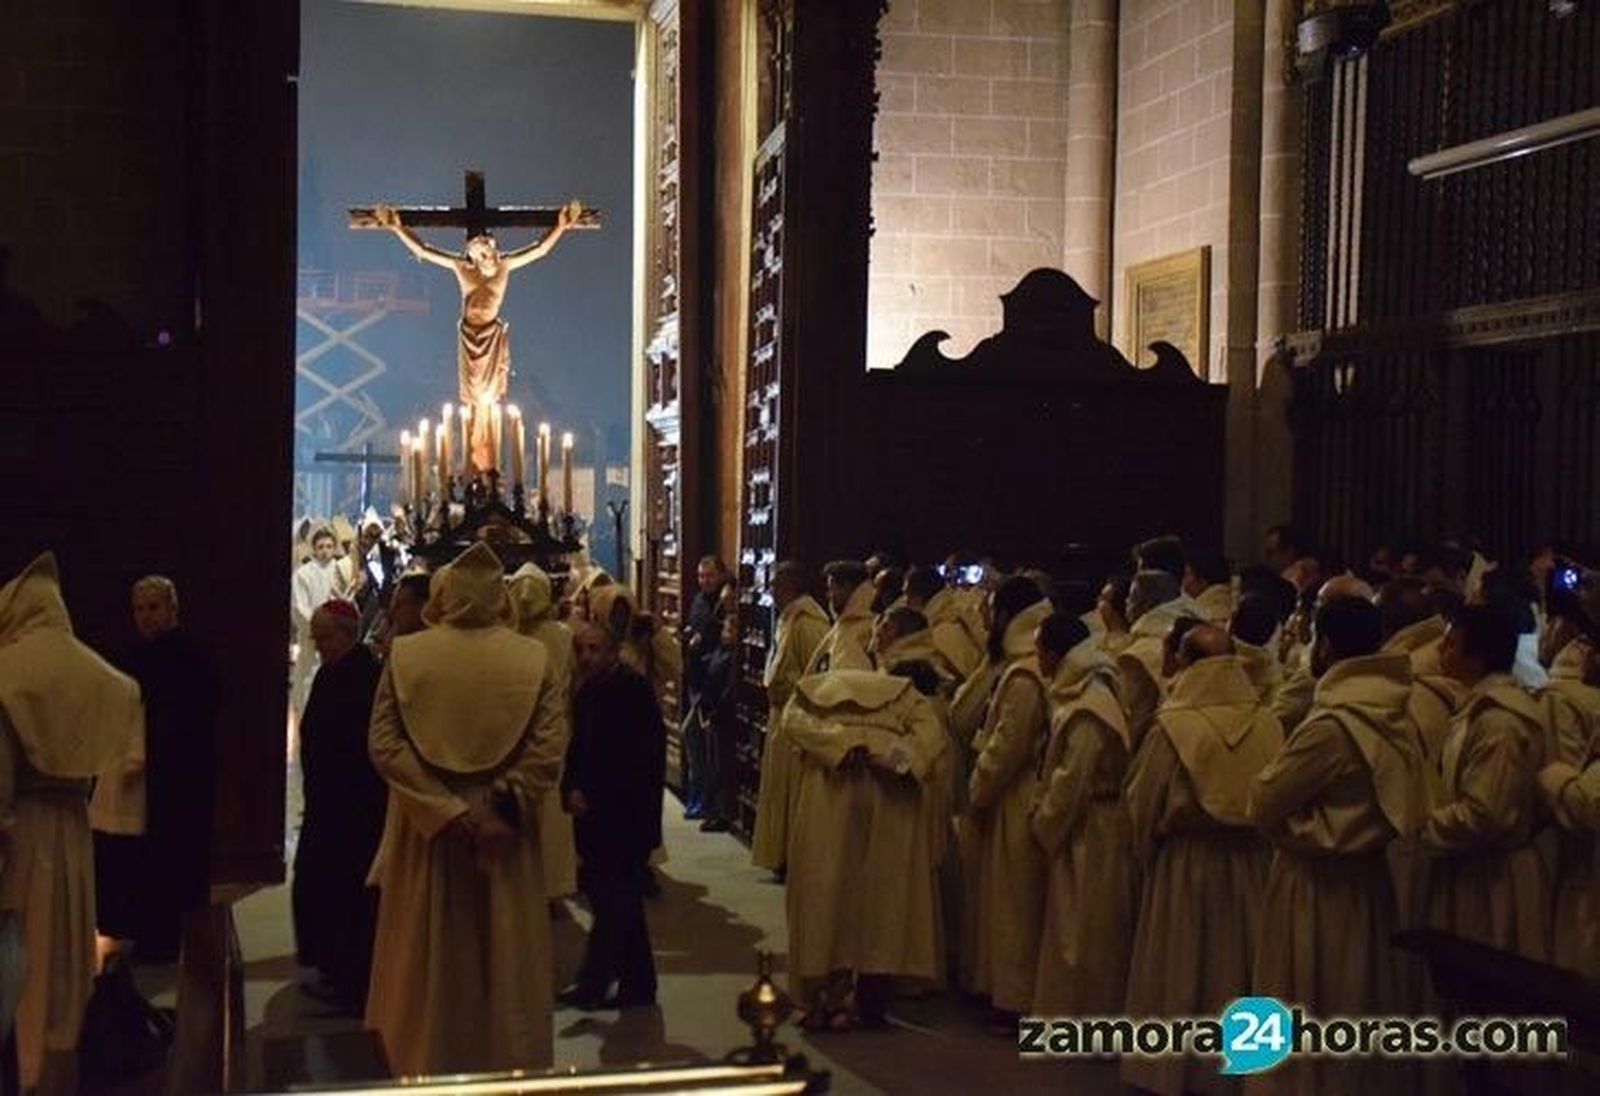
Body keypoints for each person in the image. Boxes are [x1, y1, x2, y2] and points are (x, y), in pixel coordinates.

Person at [364, 543, 567, 1075]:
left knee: (424, 964)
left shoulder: (408, 654)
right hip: (504, 834)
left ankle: (422, 1065)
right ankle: (508, 1068)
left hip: (426, 833)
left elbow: (384, 744)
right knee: (506, 961)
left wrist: (443, 811)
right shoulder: (532, 658)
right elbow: (548, 747)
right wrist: (503, 807)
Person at [1247, 596, 1428, 1096]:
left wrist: (1293, 831)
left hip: (1313, 886)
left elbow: (1263, 801)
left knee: (1304, 998)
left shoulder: (1331, 725)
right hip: (1368, 883)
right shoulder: (1397, 712)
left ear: (1324, 646)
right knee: (1354, 999)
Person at [0, 553, 143, 1091]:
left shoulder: (6, 672)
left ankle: (26, 1073)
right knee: (64, 964)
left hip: (22, 834)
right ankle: (60, 1068)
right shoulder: (105, 677)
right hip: (74, 830)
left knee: (22, 964)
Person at [1123, 624, 1282, 1096]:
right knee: (1243, 967)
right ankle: (1245, 1069)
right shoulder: (1268, 720)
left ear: (1188, 664)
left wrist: (1142, 850)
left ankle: (1173, 1073)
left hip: (1186, 863)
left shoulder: (1173, 725)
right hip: (1251, 861)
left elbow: (1143, 801)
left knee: (1181, 967)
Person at [781, 667, 947, 1031]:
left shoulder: (815, 690)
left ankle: (822, 996)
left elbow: (792, 720)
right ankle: (870, 999)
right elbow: (931, 738)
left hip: (830, 792)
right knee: (881, 900)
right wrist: (895, 760)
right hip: (889, 799)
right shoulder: (905, 695)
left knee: (824, 895)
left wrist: (839, 745)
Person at [372, 199, 582, 470]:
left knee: (488, 397)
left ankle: (484, 458)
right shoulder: (463, 270)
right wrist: (397, 228)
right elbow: (425, 250)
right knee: (473, 398)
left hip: (491, 339)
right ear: (473, 256)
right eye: (483, 254)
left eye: (492, 251)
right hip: (470, 339)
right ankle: (473, 457)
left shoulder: (505, 267)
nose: (490, 257)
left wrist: (561, 227)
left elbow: (539, 250)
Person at [1422, 604, 1553, 961]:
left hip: (1493, 881)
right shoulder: (1479, 707)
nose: (1439, 653)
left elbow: (1485, 814)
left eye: (1450, 645)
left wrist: (1418, 822)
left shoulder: (1499, 721)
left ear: (1476, 658)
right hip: (1474, 870)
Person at [1028, 612, 1135, 1015]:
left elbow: (1074, 777)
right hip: (1087, 824)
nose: (1037, 660)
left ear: (1056, 654)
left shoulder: (1091, 706)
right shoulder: (1086, 692)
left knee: (1083, 930)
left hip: (1092, 829)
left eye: (1040, 651)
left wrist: (1043, 820)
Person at [559, 620, 667, 1010]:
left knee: (612, 902)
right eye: (581, 650)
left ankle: (593, 982)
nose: (586, 657)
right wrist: (570, 787)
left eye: (595, 649)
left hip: (624, 818)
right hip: (595, 817)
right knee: (619, 903)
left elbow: (641, 762)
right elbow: (577, 750)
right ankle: (639, 985)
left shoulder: (632, 692)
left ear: (613, 651)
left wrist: (596, 795)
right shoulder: (588, 690)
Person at [962, 576, 1052, 1029]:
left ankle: (1012, 998)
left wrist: (978, 788)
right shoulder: (1016, 663)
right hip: (1011, 795)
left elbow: (1007, 745)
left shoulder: (1023, 673)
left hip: (1015, 796)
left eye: (990, 608)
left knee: (1014, 905)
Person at [292, 600, 384, 1012]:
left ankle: (353, 983)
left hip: (354, 811)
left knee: (349, 898)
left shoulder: (366, 677)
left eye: (324, 638)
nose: (319, 645)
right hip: (328, 804)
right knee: (322, 889)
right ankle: (333, 969)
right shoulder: (334, 672)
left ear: (347, 633)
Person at [751, 562, 830, 874]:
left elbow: (818, 675)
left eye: (777, 584)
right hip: (780, 713)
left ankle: (792, 855)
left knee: (792, 789)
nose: (772, 589)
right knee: (778, 788)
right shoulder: (788, 619)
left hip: (796, 715)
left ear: (791, 586)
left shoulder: (809, 623)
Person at [509, 563, 578, 902]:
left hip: (545, 729)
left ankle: (550, 886)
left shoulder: (562, 635)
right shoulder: (512, 635)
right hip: (525, 731)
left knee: (549, 811)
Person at [1114, 568, 1205, 753]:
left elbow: (1131, 721)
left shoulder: (1139, 654)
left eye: (1131, 597)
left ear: (1147, 603)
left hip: (1161, 747)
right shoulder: (1200, 630)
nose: (1125, 602)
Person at [679, 556, 729, 822]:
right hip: (697, 679)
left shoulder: (724, 603)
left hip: (713, 682)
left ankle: (704, 796)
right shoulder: (699, 601)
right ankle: (699, 794)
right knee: (696, 738)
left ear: (720, 575)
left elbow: (719, 639)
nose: (704, 581)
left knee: (692, 733)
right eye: (701, 576)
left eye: (709, 576)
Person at [902, 566, 985, 681]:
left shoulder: (943, 630)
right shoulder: (949, 615)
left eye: (906, 594)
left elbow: (965, 681)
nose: (904, 602)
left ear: (917, 598)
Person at [805, 560, 875, 674]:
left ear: (846, 586)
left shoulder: (867, 628)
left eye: (831, 588)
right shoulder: (843, 627)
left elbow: (849, 683)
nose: (829, 595)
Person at [374, 572, 431, 660]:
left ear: (423, 607)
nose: (392, 612)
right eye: (392, 604)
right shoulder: (398, 640)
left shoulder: (422, 655)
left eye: (399, 605)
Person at [1183, 552, 1234, 626]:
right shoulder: (1235, 606)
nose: (1183, 581)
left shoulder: (1194, 613)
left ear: (1202, 581)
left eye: (1187, 574)